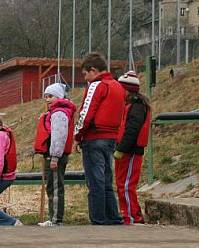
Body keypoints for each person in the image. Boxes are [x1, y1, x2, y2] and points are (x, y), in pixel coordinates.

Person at [74, 52, 125, 225]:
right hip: (111, 138)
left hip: (94, 138)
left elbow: (86, 113)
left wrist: (77, 135)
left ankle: (98, 218)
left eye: (85, 74)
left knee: (95, 180)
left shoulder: (97, 85)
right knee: (106, 180)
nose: (85, 78)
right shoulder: (118, 86)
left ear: (93, 70)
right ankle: (113, 216)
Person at [33, 84, 76, 226]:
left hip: (55, 156)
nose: (47, 99)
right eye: (45, 96)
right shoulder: (53, 112)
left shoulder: (59, 113)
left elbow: (59, 136)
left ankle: (56, 219)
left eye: (50, 96)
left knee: (56, 187)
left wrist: (55, 156)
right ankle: (53, 217)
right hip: (51, 155)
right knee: (51, 186)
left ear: (59, 96)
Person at [114, 71, 152, 224]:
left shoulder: (136, 107)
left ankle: (131, 216)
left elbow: (132, 130)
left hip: (130, 152)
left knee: (127, 185)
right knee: (122, 184)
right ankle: (130, 214)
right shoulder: (131, 105)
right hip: (126, 151)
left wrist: (121, 148)